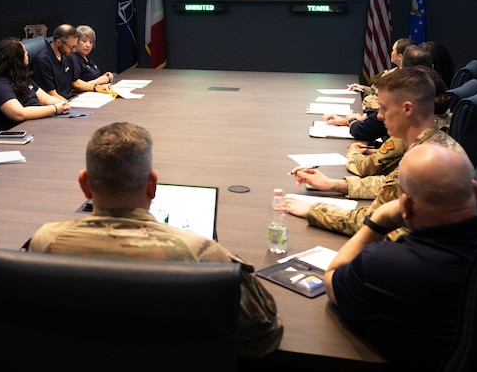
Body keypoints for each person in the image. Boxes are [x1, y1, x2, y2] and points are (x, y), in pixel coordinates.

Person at [25, 122, 283, 359]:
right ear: (152, 185)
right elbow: (263, 335)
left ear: (85, 185)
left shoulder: (45, 242)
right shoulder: (201, 254)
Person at [324, 142, 477, 370]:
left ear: (404, 205)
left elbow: (332, 279)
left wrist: (378, 222)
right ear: (476, 191)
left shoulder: (384, 265)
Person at [282, 66, 471, 239]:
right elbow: (392, 184)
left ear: (407, 109)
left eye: (384, 108)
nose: (379, 116)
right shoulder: (435, 143)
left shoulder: (426, 161)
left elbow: (370, 221)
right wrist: (334, 185)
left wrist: (312, 210)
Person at [0, 37, 70, 130]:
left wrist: (63, 104)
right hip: (21, 130)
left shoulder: (22, 77)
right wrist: (55, 108)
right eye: (24, 51)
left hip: (39, 122)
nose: (27, 53)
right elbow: (19, 114)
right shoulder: (0, 85)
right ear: (15, 59)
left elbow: (45, 99)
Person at [30, 23, 79, 101]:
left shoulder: (67, 55)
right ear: (58, 42)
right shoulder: (43, 61)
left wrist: (95, 87)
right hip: (57, 104)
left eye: (75, 46)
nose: (73, 51)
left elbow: (75, 82)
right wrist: (70, 106)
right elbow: (51, 94)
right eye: (71, 47)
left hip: (69, 99)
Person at [70, 24, 114, 94]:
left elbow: (93, 75)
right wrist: (97, 82)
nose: (88, 45)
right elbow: (75, 86)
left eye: (91, 42)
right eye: (84, 41)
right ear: (76, 42)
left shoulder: (87, 58)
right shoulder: (74, 58)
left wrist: (105, 76)